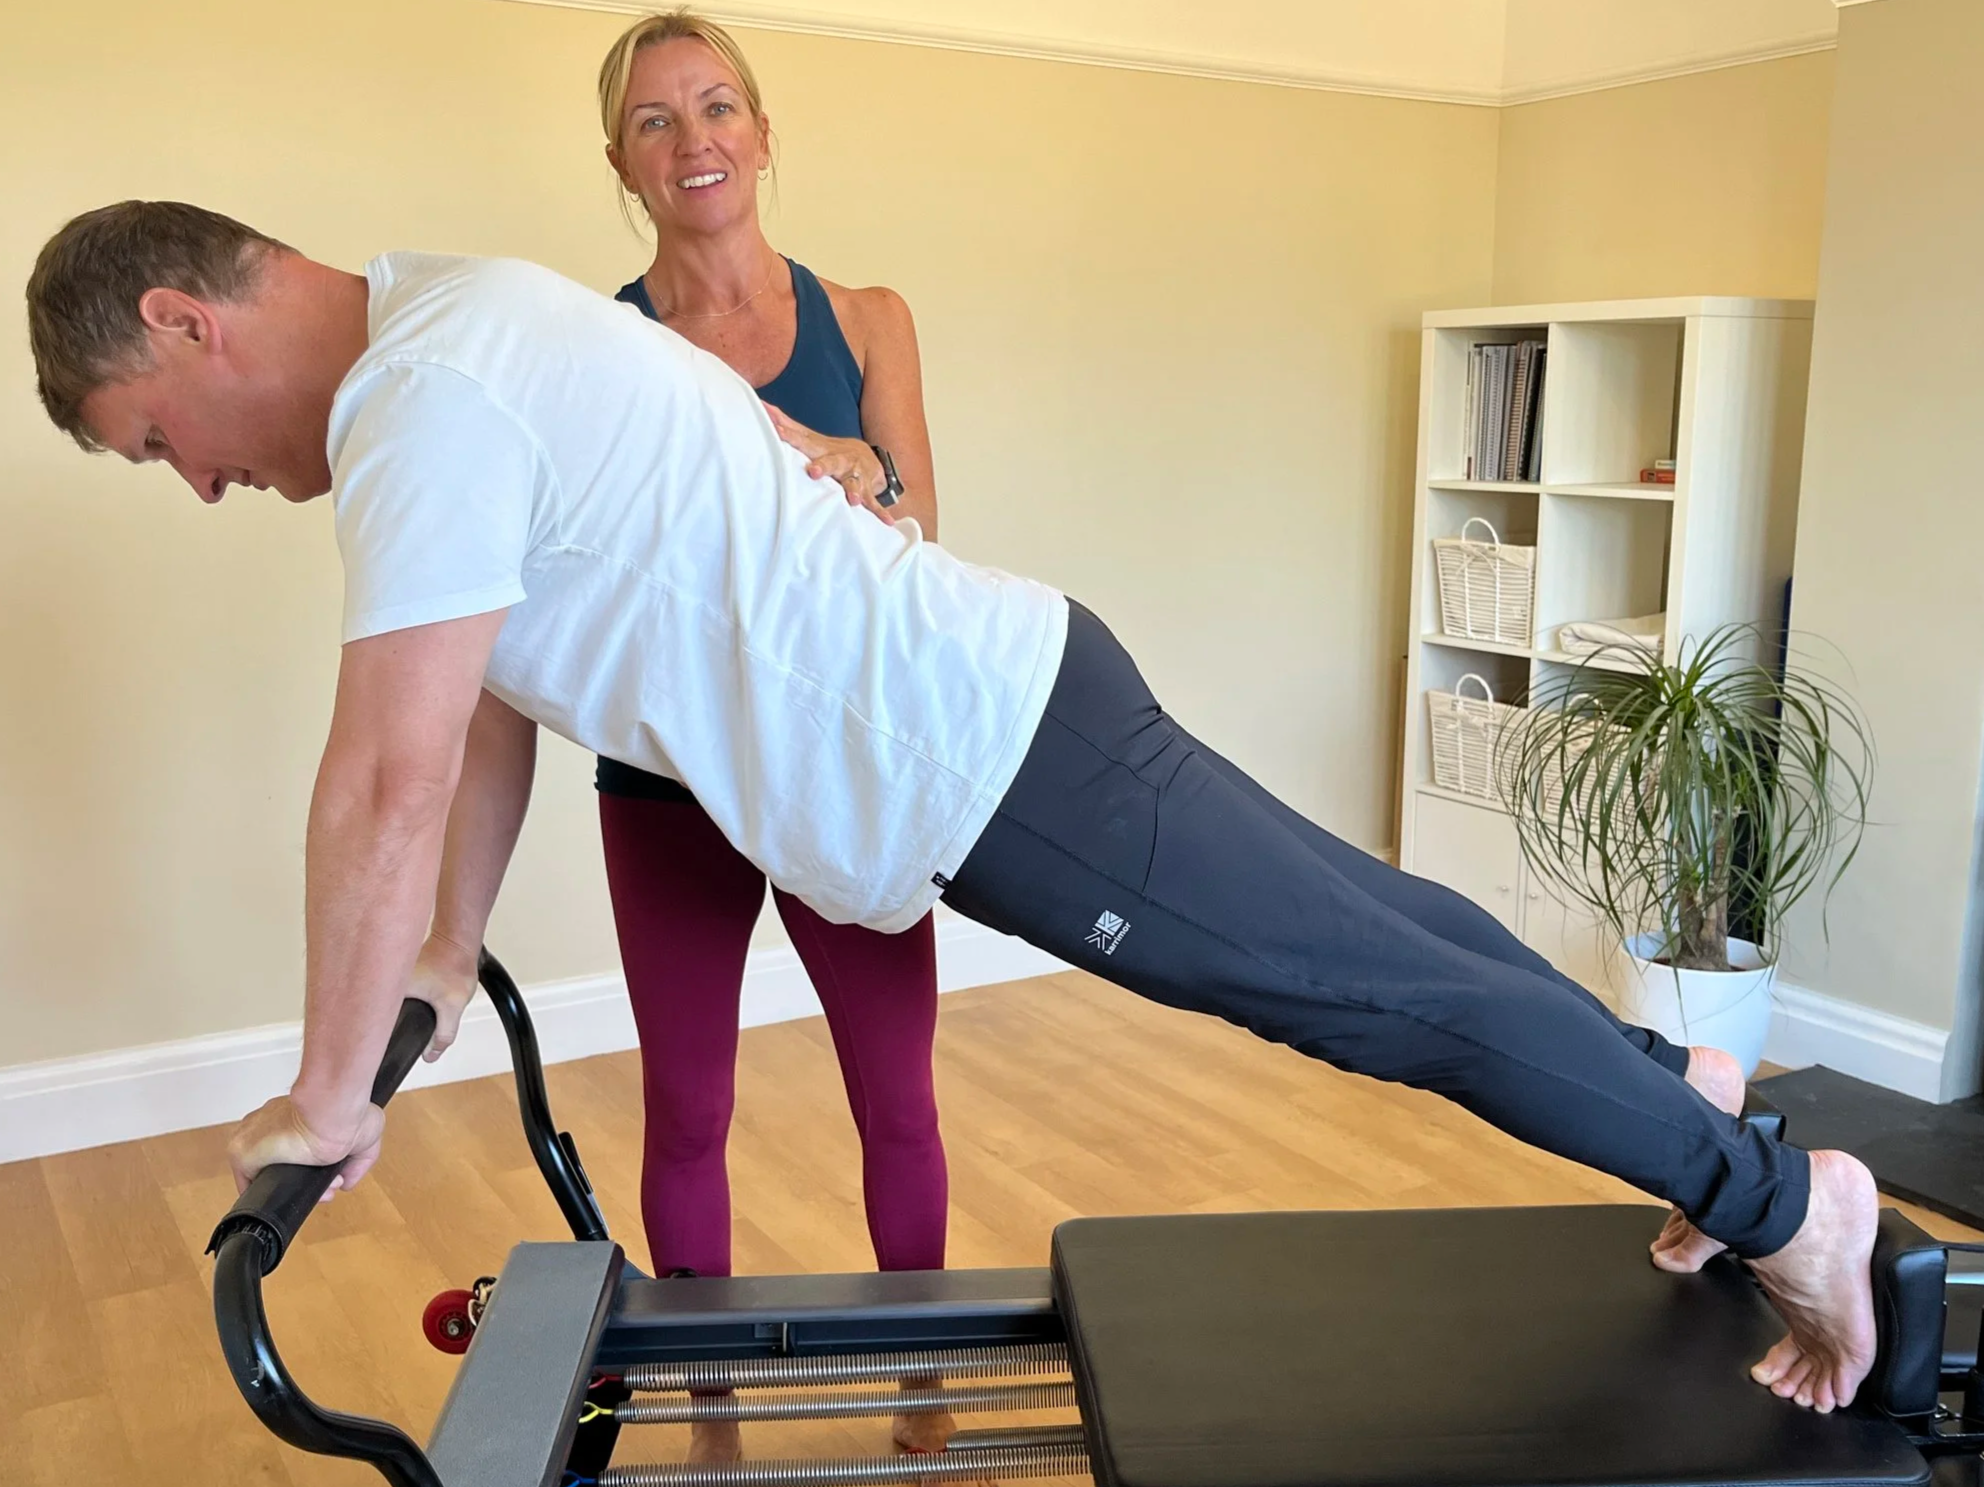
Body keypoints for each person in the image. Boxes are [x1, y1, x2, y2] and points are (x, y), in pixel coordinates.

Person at [24, 200, 1880, 1417]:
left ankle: (1789, 1202)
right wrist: (437, 953)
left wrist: (329, 1087)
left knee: (1381, 994)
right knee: (1402, 936)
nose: (192, 486)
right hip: (1017, 688)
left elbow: (382, 769)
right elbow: (485, 714)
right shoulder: (462, 315)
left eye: (149, 443)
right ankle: (1682, 1087)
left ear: (187, 325)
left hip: (984, 754)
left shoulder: (414, 404)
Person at [570, 12, 957, 1462]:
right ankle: (713, 1416)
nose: (695, 140)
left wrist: (865, 470)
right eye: (658, 120)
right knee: (689, 1109)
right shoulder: (607, 345)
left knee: (897, 1100)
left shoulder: (868, 319)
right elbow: (608, 578)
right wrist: (811, 463)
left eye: (717, 106)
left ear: (765, 132)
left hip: (842, 771)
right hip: (670, 785)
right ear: (621, 158)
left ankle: (927, 1389)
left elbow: (917, 538)